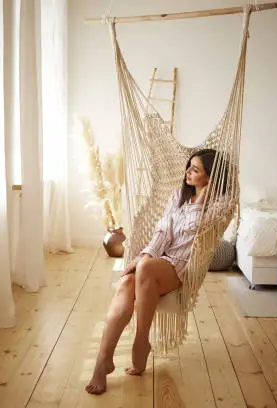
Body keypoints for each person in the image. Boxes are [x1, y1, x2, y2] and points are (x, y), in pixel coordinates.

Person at [85, 148, 228, 395]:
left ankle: (141, 339)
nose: (187, 172)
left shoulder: (218, 205)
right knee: (126, 284)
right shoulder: (177, 196)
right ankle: (103, 360)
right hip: (158, 262)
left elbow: (199, 231)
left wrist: (204, 197)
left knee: (144, 269)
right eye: (188, 166)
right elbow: (163, 231)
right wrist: (143, 257)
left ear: (210, 177)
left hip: (182, 267)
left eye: (195, 169)